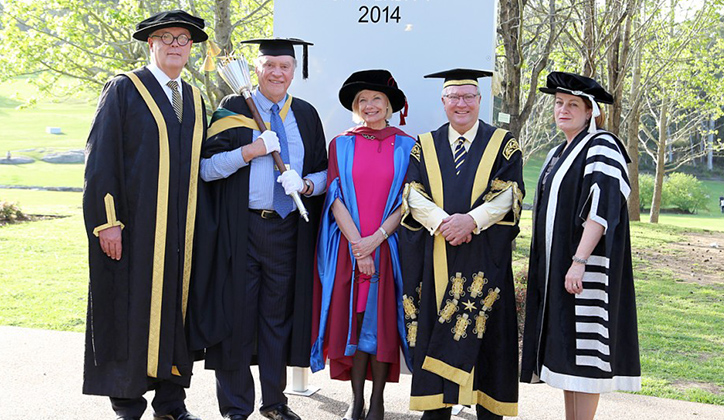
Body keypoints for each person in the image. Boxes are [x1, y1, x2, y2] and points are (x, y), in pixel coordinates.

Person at [192, 38, 328, 420]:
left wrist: (303, 185)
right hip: (241, 230)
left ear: (294, 71)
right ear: (257, 68)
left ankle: (274, 401)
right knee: (236, 317)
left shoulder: (305, 114)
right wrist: (248, 152)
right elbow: (206, 170)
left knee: (277, 318)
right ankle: (236, 407)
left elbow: (323, 174)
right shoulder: (232, 110)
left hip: (288, 232)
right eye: (269, 65)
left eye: (285, 66)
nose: (277, 73)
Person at [82, 10, 208, 420]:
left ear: (191, 47)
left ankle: (171, 404)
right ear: (151, 43)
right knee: (129, 310)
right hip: (134, 228)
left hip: (179, 232)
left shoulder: (193, 97)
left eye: (183, 38)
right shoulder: (124, 88)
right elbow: (101, 158)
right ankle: (128, 401)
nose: (176, 44)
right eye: (167, 37)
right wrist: (108, 222)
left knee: (175, 311)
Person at [399, 69, 524, 420]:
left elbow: (511, 193)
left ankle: (488, 409)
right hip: (438, 255)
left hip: (486, 259)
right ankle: (435, 410)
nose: (461, 103)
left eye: (469, 96)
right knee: (439, 323)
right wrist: (444, 222)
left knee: (487, 336)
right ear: (443, 102)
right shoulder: (423, 145)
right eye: (454, 97)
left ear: (480, 101)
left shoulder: (504, 143)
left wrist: (471, 221)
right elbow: (412, 194)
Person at [520, 72, 641, 420]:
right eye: (559, 103)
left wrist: (579, 260)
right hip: (560, 266)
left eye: (573, 104)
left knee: (584, 358)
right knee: (567, 355)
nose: (563, 110)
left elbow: (600, 210)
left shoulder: (601, 144)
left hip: (586, 267)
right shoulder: (560, 152)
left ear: (590, 111)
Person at [310, 69, 414, 420]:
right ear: (355, 106)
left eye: (377, 99)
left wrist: (375, 241)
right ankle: (356, 401)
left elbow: (406, 201)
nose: (370, 106)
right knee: (354, 322)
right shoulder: (341, 143)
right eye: (362, 100)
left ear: (389, 105)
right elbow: (335, 197)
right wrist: (359, 245)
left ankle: (380, 401)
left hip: (387, 247)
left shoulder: (407, 145)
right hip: (350, 248)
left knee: (382, 324)